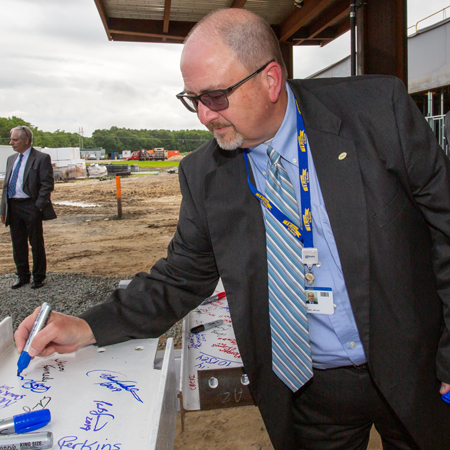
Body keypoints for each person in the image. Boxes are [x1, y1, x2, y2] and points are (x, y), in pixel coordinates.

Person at [15, 8, 450, 450]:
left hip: (419, 367)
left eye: (216, 96)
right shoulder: (204, 174)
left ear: (271, 80)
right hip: (312, 393)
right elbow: (179, 276)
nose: (204, 116)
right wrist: (87, 326)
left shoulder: (378, 113)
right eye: (192, 99)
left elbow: (446, 232)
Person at [1, 126, 56, 289]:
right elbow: (5, 186)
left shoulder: (41, 158)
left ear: (26, 140)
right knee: (17, 243)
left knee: (36, 243)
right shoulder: (11, 159)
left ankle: (38, 277)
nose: (11, 143)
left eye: (14, 140)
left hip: (31, 206)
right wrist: (3, 209)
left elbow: (47, 184)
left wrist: (38, 206)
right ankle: (22, 276)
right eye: (11, 140)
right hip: (13, 206)